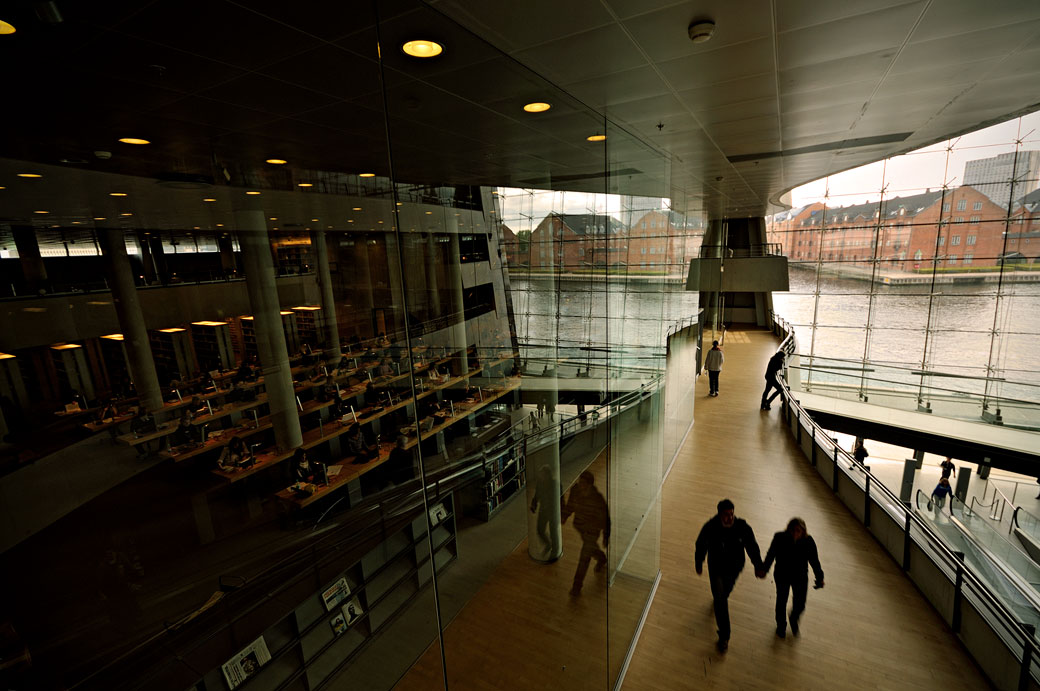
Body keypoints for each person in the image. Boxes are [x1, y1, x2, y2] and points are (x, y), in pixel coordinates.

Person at [695, 499, 763, 652]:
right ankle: (724, 636)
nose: (730, 517)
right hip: (716, 568)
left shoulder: (742, 527)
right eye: (726, 515)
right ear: (719, 515)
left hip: (733, 569)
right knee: (721, 599)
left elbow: (752, 546)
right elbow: (701, 544)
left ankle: (719, 599)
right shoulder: (710, 527)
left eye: (732, 514)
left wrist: (758, 566)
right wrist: (699, 562)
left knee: (724, 592)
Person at [761, 518, 824, 638]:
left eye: (798, 531)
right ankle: (781, 626)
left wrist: (819, 577)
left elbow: (814, 561)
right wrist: (764, 569)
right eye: (792, 530)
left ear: (803, 531)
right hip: (782, 575)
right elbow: (771, 554)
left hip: (800, 577)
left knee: (800, 604)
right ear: (788, 529)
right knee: (781, 601)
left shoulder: (808, 542)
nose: (795, 533)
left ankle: (794, 618)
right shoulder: (779, 537)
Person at [561, 471, 610, 596]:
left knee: (584, 557)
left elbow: (606, 518)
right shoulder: (575, 490)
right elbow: (571, 504)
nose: (580, 485)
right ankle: (602, 558)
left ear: (589, 485)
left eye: (583, 483)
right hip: (581, 527)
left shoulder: (597, 499)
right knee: (590, 548)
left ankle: (576, 586)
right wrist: (565, 515)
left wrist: (606, 536)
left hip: (592, 530)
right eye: (579, 482)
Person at [529, 465, 561, 561]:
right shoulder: (540, 483)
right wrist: (534, 504)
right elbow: (537, 495)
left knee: (553, 532)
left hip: (553, 512)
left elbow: (561, 499)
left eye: (542, 475)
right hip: (543, 510)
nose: (540, 476)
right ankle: (548, 544)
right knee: (540, 530)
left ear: (547, 475)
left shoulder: (555, 485)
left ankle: (554, 552)